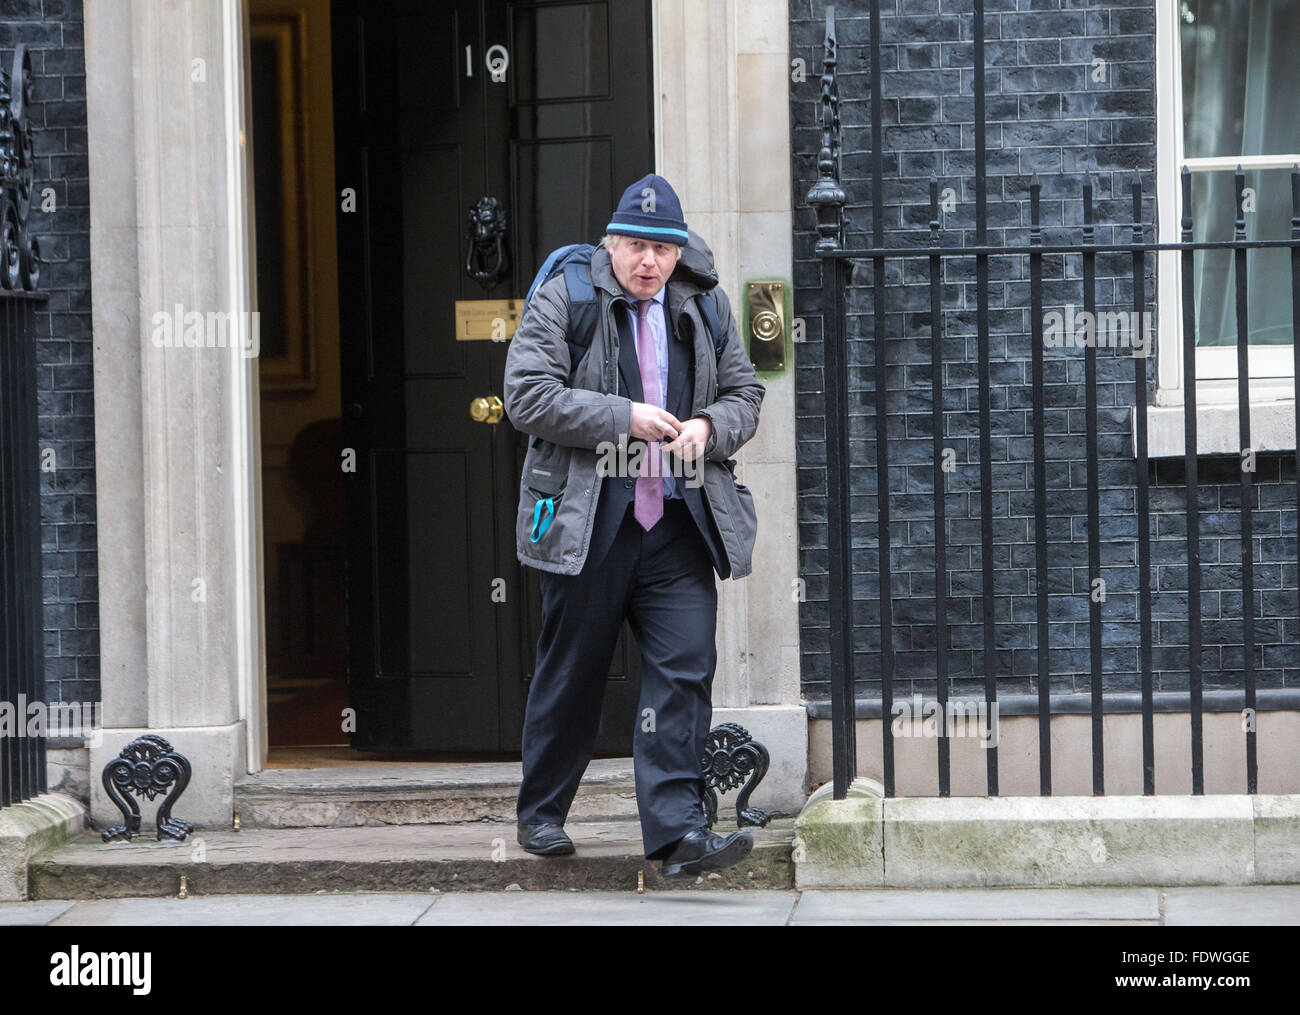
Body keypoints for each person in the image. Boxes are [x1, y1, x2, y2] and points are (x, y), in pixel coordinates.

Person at [502, 173, 765, 877]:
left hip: (679, 524)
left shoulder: (706, 303)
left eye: (662, 249)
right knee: (574, 670)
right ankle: (542, 813)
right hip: (594, 520)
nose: (648, 262)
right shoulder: (570, 294)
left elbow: (746, 393)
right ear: (611, 243)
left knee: (684, 669)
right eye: (636, 246)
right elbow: (526, 395)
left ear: (680, 253)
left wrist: (710, 425)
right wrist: (625, 418)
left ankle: (678, 833)